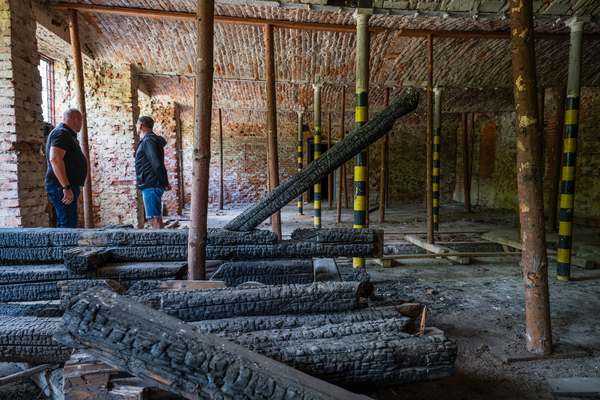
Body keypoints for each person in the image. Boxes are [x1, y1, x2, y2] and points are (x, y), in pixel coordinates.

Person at [45, 108, 88, 228]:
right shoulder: (61, 133)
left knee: (67, 223)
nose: (81, 125)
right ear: (76, 119)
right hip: (61, 187)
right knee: (68, 225)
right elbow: (55, 159)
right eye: (81, 121)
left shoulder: (66, 134)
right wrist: (66, 186)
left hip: (64, 186)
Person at [135, 116, 170, 229]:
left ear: (140, 126)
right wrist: (164, 182)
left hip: (151, 185)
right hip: (152, 184)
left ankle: (162, 241)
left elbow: (156, 164)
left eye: (137, 125)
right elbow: (158, 163)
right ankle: (164, 240)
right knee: (156, 218)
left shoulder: (148, 140)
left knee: (153, 219)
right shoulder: (150, 140)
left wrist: (165, 182)